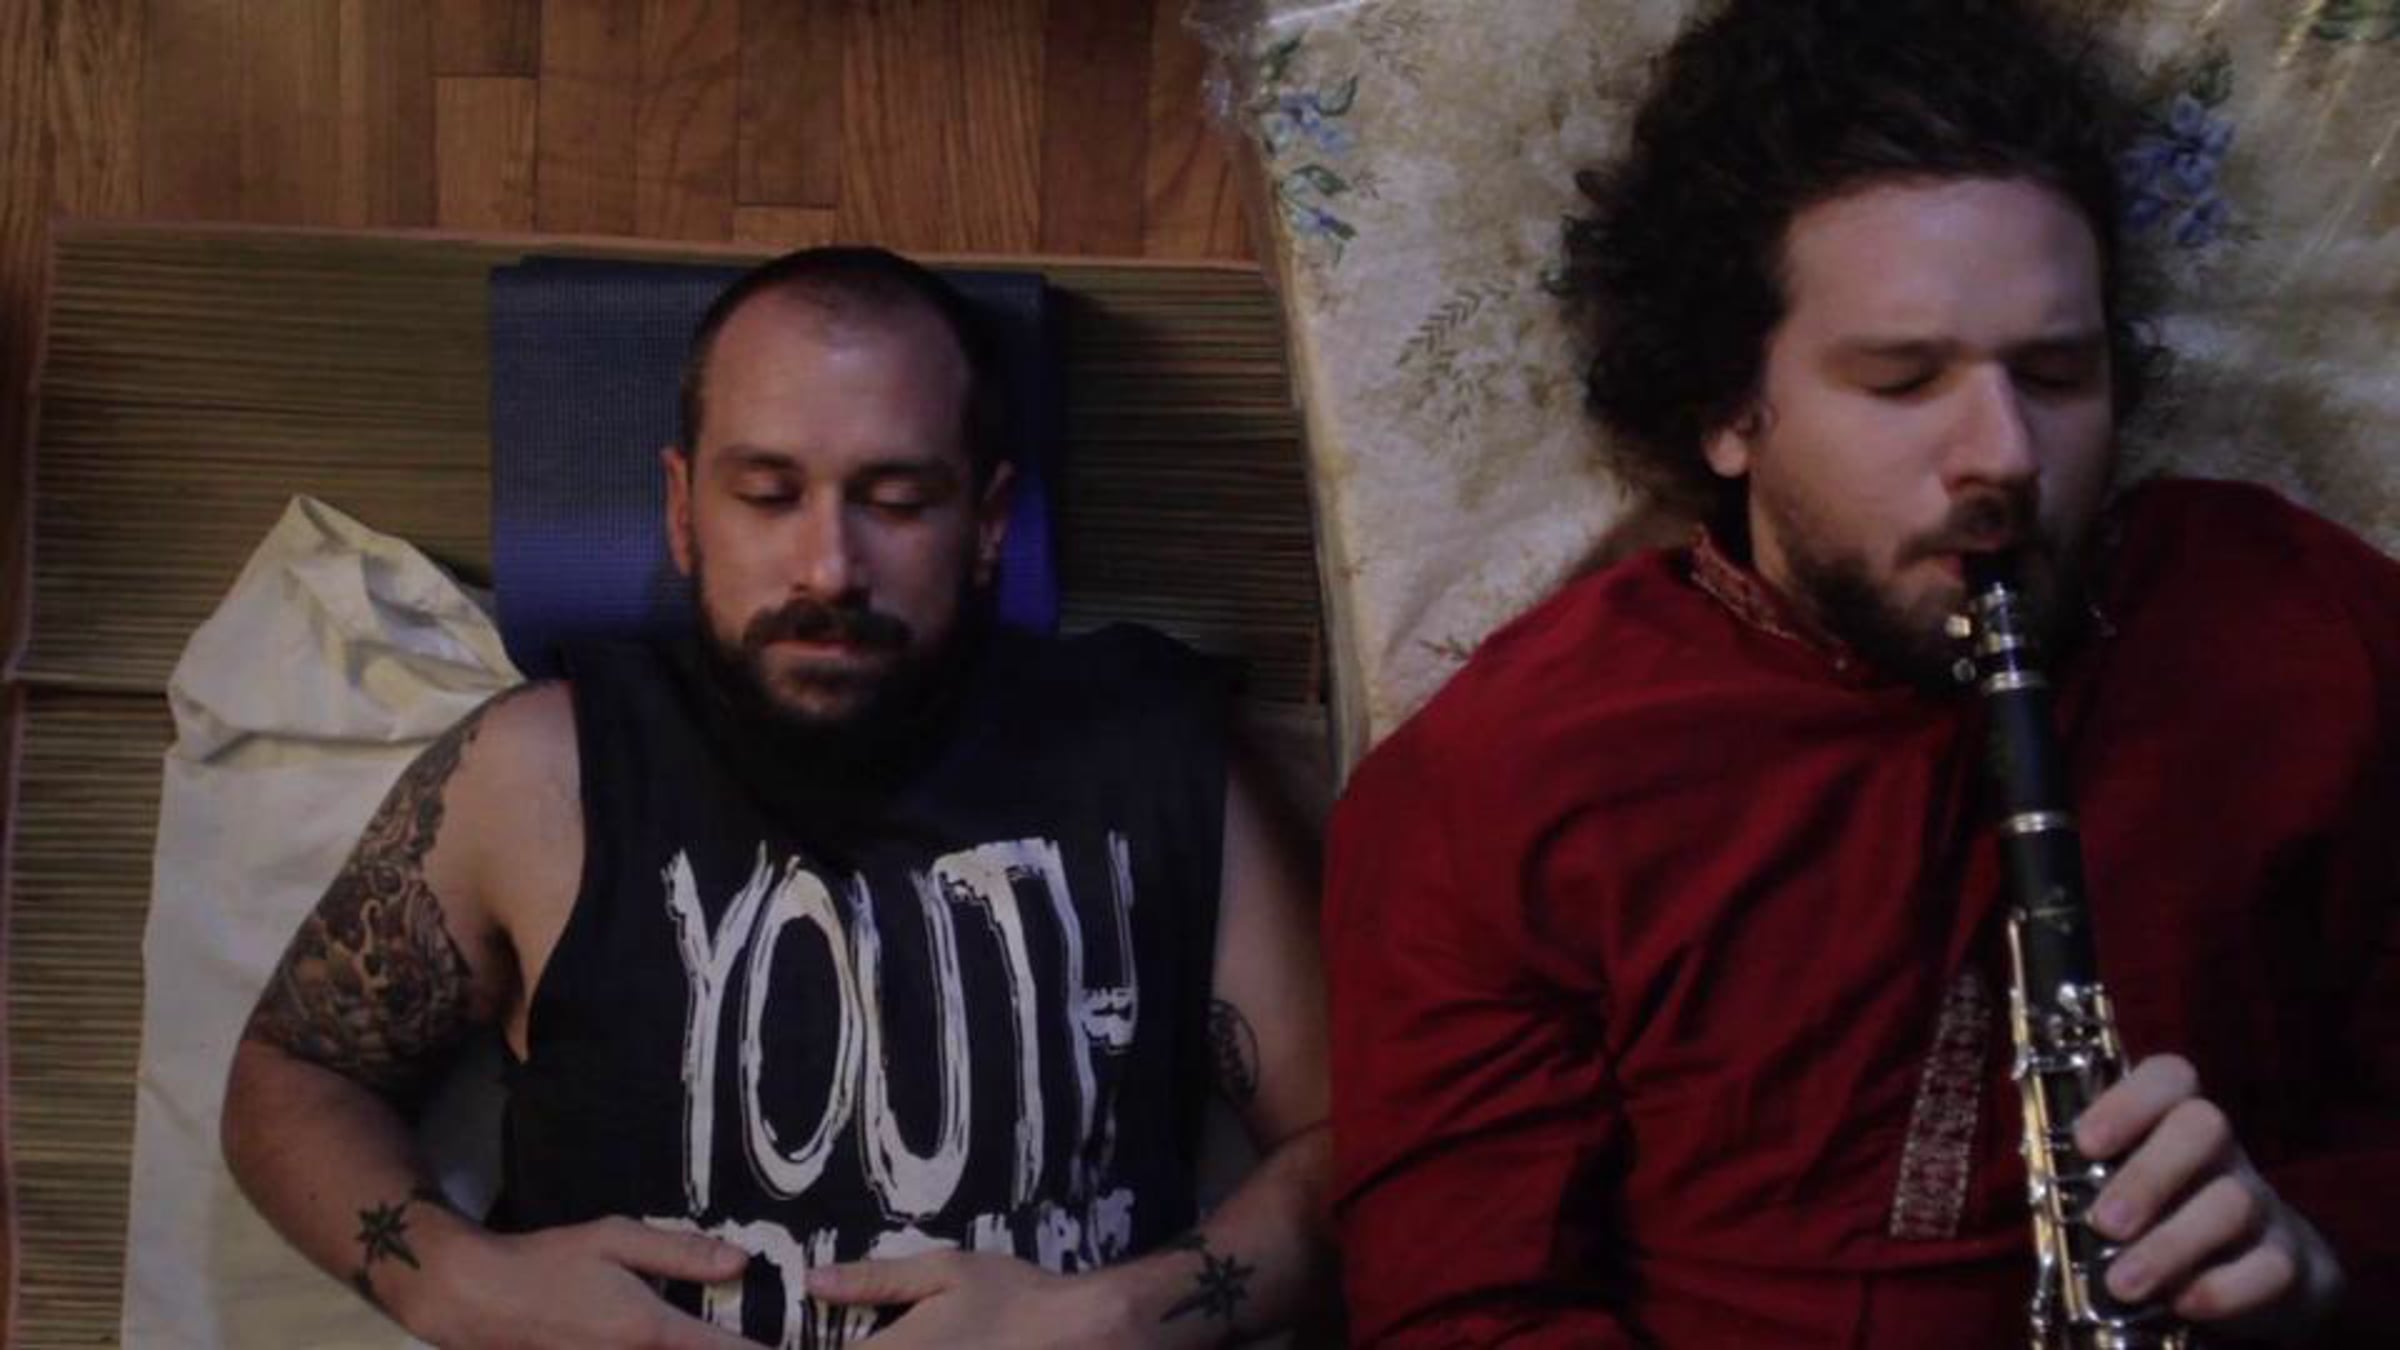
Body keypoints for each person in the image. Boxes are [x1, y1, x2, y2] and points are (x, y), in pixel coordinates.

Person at [1324, 2, 2398, 1345]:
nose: (2004, 455)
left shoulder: (2307, 629)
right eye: (1902, 381)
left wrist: (2320, 1261)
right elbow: (1464, 1317)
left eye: (2057, 374)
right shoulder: (1501, 777)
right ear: (1729, 405)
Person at [222, 246, 1331, 1349]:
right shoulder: (541, 773)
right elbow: (294, 1073)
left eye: (897, 501)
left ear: (990, 520)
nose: (829, 567)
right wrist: (450, 1280)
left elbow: (1354, 1144)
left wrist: (1125, 1316)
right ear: (683, 510)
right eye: (768, 496)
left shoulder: (1157, 763)